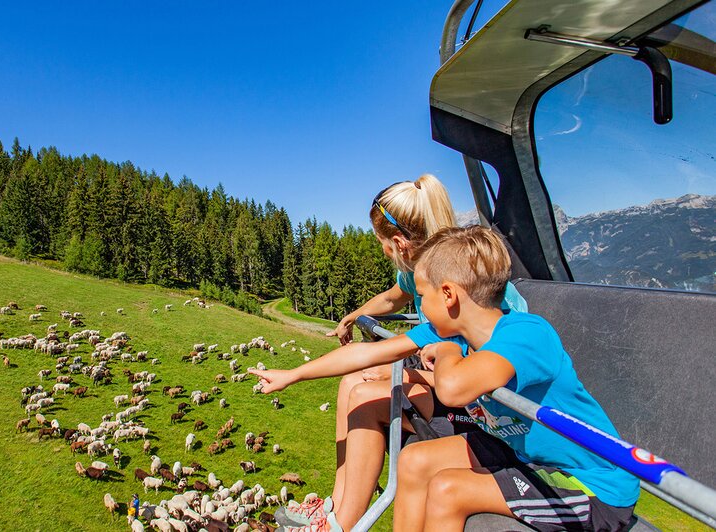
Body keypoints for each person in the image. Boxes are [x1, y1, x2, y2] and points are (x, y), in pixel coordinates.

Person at [268, 175, 526, 530]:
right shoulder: (433, 284)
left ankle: (343, 519)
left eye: (381, 244)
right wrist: (301, 367)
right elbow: (390, 307)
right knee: (352, 382)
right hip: (450, 378)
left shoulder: (471, 302)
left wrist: (408, 373)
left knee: (364, 396)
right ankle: (337, 505)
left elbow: (469, 376)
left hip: (479, 404)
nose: (420, 303)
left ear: (400, 243)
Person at [394, 226, 639, 531]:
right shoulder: (473, 339)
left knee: (448, 490)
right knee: (415, 460)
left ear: (448, 294)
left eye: (421, 297)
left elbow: (453, 389)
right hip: (527, 452)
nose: (422, 308)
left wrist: (445, 352)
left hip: (591, 486)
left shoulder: (527, 333)